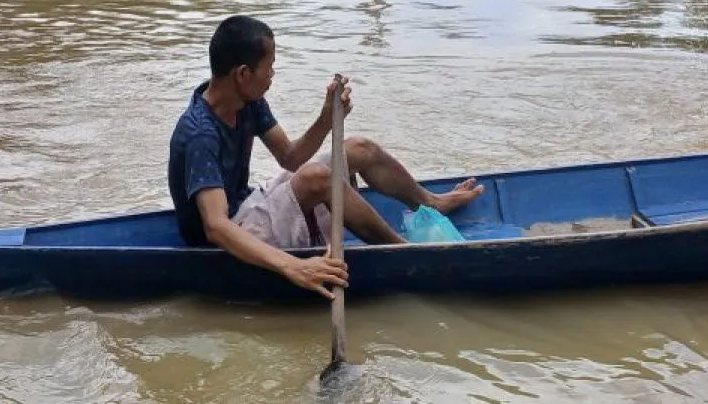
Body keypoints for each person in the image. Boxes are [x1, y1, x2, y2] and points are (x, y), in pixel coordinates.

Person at [167, 15, 484, 299]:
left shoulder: (247, 101)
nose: (273, 75)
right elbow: (216, 227)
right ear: (243, 74)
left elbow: (290, 157)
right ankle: (404, 253)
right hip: (226, 241)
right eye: (270, 67)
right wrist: (294, 267)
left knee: (359, 149)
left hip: (249, 206)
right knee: (316, 178)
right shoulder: (200, 133)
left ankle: (432, 202)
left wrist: (327, 118)